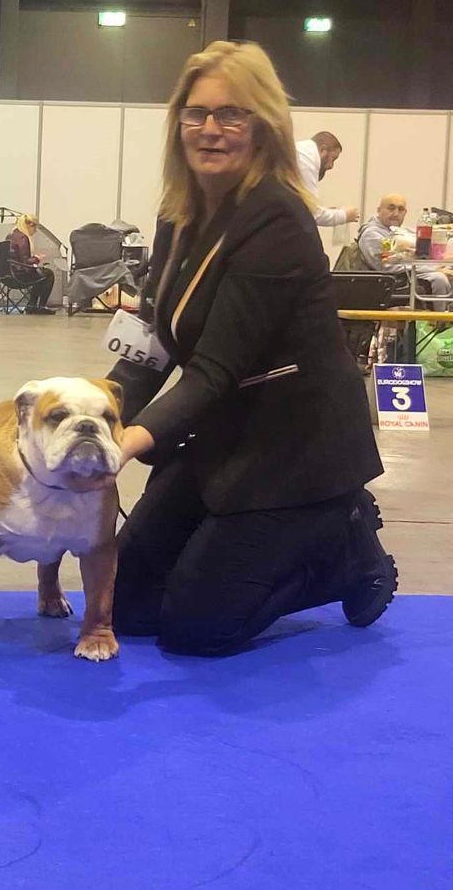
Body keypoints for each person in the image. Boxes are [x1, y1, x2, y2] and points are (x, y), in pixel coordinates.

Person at [107, 40, 397, 657]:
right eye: (196, 112)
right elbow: (154, 335)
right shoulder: (177, 215)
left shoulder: (277, 220)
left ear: (264, 126)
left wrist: (123, 444)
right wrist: (91, 413)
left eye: (231, 114)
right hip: (220, 435)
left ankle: (344, 543)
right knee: (124, 606)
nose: (209, 129)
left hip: (295, 450)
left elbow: (213, 370)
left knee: (195, 629)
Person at [357, 193, 452, 309]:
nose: (395, 214)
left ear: (405, 213)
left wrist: (442, 264)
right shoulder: (371, 234)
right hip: (392, 281)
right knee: (439, 279)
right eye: (391, 208)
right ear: (379, 210)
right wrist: (434, 268)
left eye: (400, 209)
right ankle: (439, 318)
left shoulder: (402, 232)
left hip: (409, 274)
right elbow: (387, 266)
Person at [295, 131, 359, 227]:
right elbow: (311, 214)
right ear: (322, 150)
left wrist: (323, 210)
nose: (331, 166)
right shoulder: (306, 161)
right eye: (333, 159)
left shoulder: (300, 152)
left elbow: (302, 206)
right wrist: (345, 215)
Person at [6, 214, 55, 315]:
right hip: (19, 275)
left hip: (6, 274)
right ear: (30, 226)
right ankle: (40, 306)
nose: (35, 231)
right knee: (48, 274)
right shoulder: (23, 238)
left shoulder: (10, 236)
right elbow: (25, 262)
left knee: (40, 274)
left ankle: (31, 305)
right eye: (35, 227)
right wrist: (37, 258)